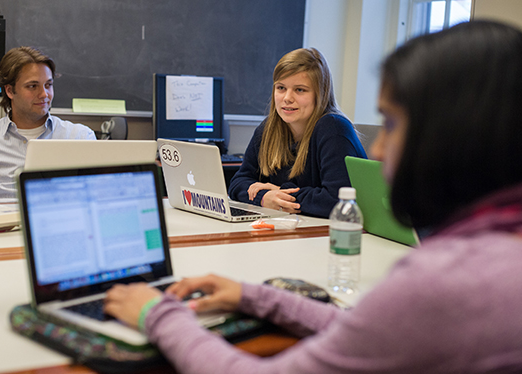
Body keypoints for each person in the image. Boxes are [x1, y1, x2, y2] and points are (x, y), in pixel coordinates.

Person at [104, 21, 522, 373]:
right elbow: (365, 327)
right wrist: (256, 296)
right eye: (281, 89)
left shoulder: (437, 284)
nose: (374, 152)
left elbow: (345, 199)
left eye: (391, 124)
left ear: (455, 134)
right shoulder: (497, 256)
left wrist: (156, 314)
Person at [0, 46, 96, 204]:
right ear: (10, 91)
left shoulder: (80, 137)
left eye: (48, 85)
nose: (44, 94)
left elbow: (101, 196)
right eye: (32, 86)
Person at [227, 48, 366, 218]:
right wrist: (264, 198)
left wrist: (280, 193)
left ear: (320, 94)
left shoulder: (333, 128)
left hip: (329, 235)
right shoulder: (268, 129)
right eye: (281, 88)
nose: (287, 98)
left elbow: (337, 201)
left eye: (300, 90)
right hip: (292, 228)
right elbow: (237, 184)